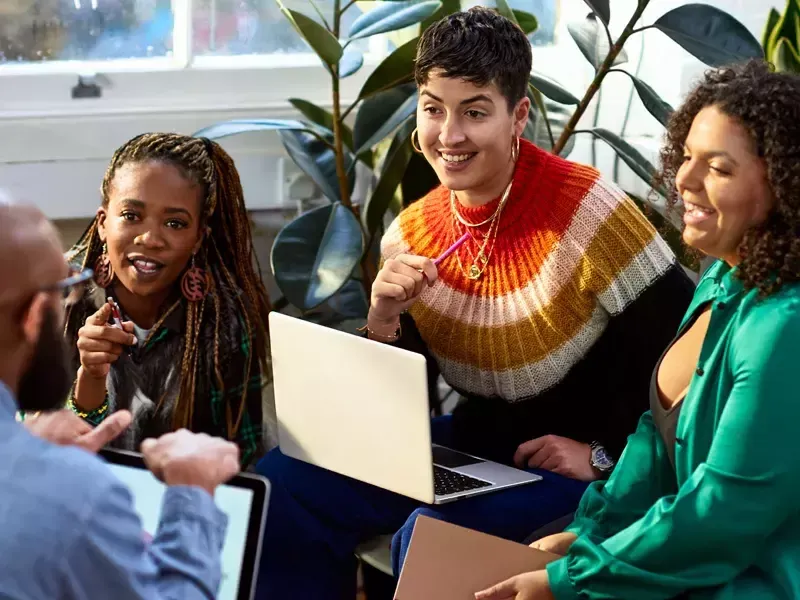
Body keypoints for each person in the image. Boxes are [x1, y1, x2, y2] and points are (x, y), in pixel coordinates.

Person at [254, 8, 695, 599]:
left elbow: (691, 358)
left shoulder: (591, 212)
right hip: (473, 449)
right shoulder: (409, 233)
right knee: (283, 481)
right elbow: (400, 404)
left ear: (519, 115)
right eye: (434, 108)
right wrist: (384, 321)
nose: (449, 135)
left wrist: (605, 455)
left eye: (475, 111)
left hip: (579, 465)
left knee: (434, 534)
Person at [474, 59, 800, 600]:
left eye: (718, 168)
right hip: (690, 562)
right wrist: (587, 536)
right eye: (688, 157)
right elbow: (653, 445)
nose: (685, 180)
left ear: (785, 184)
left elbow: (722, 515)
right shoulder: (719, 277)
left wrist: (574, 580)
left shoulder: (783, 326)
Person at [0, 200, 242, 598]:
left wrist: (28, 455)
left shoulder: (225, 327)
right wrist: (193, 495)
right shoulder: (78, 496)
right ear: (35, 314)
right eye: (64, 289)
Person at [61, 133, 271, 466]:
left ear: (198, 238)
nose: (150, 238)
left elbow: (239, 462)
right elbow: (32, 451)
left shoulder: (225, 323)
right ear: (103, 223)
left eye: (174, 223)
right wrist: (90, 377)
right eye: (131, 215)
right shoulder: (57, 296)